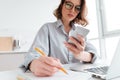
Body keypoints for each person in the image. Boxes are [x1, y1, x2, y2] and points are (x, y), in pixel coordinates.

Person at [22, 0, 97, 77]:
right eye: (68, 5)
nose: (72, 10)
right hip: (55, 76)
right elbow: (32, 56)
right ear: (61, 5)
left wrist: (80, 55)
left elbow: (94, 55)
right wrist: (34, 65)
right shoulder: (47, 28)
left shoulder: (80, 32)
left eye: (77, 8)